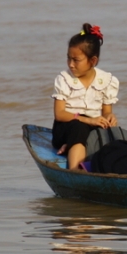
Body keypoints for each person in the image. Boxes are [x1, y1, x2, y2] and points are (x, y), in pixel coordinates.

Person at [51, 23, 119, 169]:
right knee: (79, 128)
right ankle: (76, 172)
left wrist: (109, 117)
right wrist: (88, 120)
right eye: (69, 58)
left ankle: (71, 146)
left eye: (76, 60)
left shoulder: (106, 80)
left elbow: (106, 111)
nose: (71, 64)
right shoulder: (64, 79)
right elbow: (59, 114)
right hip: (66, 127)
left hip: (91, 126)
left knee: (109, 132)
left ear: (92, 61)